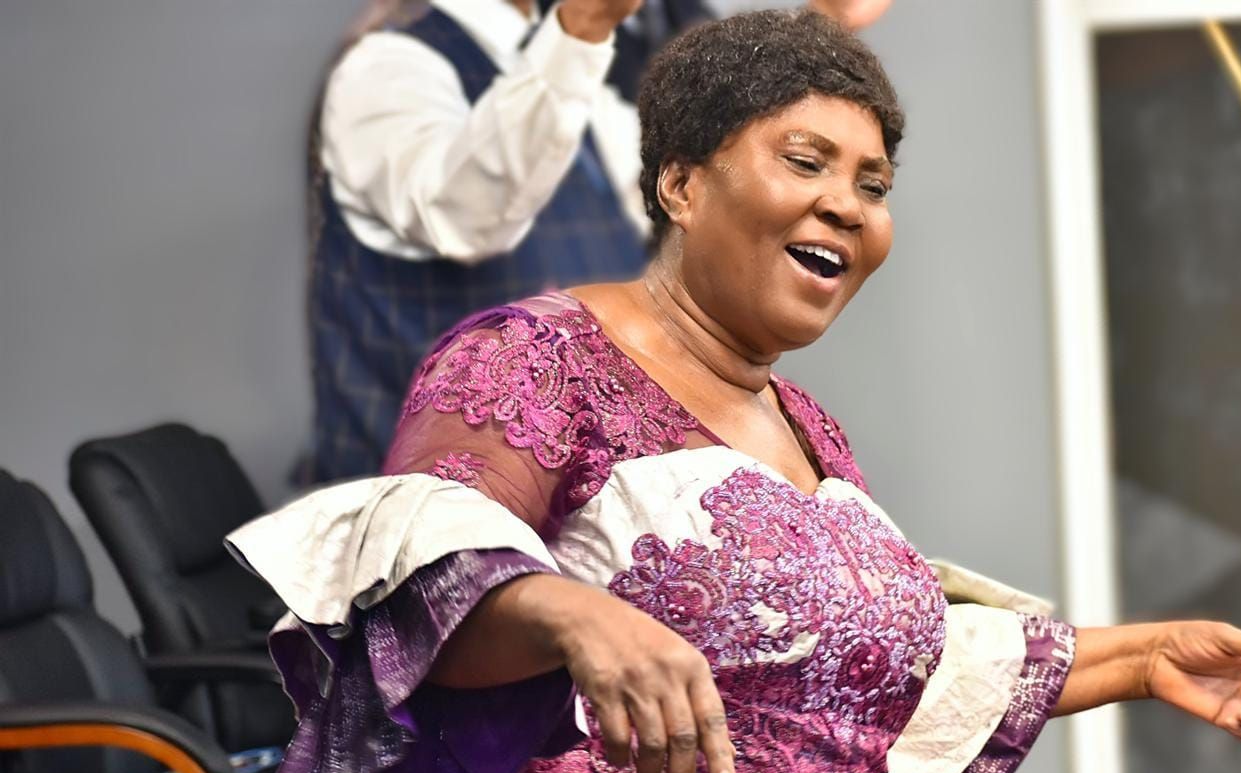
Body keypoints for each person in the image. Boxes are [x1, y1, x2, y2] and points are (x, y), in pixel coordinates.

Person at [234, 11, 1241, 773]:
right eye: (806, 161)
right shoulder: (537, 356)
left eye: (872, 183)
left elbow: (863, 668)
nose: (847, 206)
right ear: (679, 183)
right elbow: (422, 567)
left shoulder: (807, 429)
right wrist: (571, 614)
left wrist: (1141, 656)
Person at [308, 0, 890, 484]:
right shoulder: (388, 65)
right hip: (430, 537)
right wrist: (578, 30)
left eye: (873, 186)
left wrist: (818, 38)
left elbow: (718, 180)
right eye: (806, 162)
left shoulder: (585, 68)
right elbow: (464, 217)